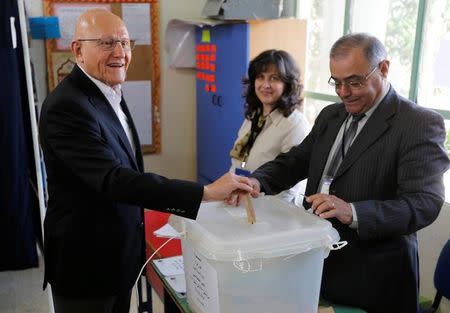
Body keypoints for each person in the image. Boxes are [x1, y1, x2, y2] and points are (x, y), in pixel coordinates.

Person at [38, 9, 252, 313]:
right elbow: (113, 179)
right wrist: (203, 193)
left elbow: (128, 170)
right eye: (107, 43)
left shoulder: (109, 89)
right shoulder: (67, 107)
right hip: (86, 265)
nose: (120, 53)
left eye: (125, 43)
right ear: (78, 50)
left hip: (119, 259)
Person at [246, 33, 449, 313]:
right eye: (337, 82)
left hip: (374, 278)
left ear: (384, 68)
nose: (344, 92)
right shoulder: (331, 115)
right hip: (318, 263)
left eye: (354, 81)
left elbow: (424, 203)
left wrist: (353, 212)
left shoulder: (418, 123)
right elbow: (295, 161)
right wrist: (255, 180)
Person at [229, 49, 310, 205]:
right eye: (260, 77)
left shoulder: (295, 124)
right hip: (242, 201)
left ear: (287, 84)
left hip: (271, 211)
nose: (265, 85)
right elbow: (237, 162)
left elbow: (290, 182)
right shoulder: (254, 116)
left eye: (274, 78)